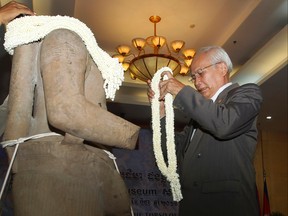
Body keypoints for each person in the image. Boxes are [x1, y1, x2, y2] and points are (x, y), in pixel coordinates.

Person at [147, 46, 262, 216]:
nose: (196, 81)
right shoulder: (198, 117)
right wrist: (161, 111)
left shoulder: (248, 93)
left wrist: (180, 90)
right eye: (193, 77)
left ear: (222, 68)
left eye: (200, 73)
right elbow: (170, 153)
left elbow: (224, 124)